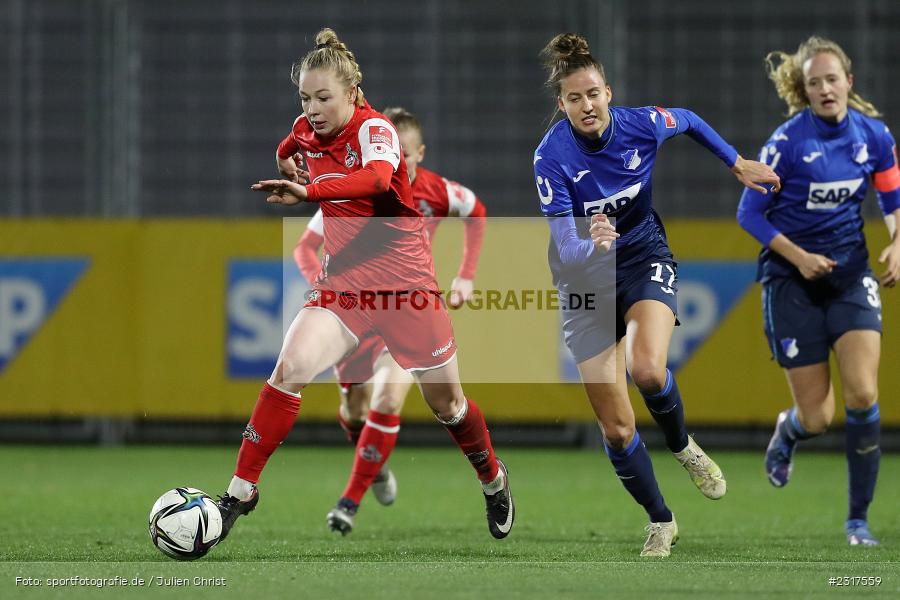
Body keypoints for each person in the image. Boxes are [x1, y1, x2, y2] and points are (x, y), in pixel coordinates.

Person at [214, 28, 513, 544]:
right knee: (288, 369)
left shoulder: (376, 131)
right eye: (305, 97)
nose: (312, 108)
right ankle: (240, 492)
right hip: (345, 288)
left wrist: (307, 188)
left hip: (407, 290)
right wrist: (285, 159)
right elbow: (288, 143)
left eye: (323, 97)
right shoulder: (305, 128)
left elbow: (376, 180)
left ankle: (492, 478)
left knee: (450, 407)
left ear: (352, 94)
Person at [534, 33, 780, 557]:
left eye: (594, 93)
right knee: (618, 428)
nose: (586, 105)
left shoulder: (640, 124)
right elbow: (566, 247)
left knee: (647, 369)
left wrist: (736, 163)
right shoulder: (551, 157)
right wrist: (591, 243)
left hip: (644, 256)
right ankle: (661, 521)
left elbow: (688, 118)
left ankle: (683, 445)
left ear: (608, 92)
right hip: (583, 281)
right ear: (562, 105)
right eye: (574, 98)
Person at [292, 106, 488, 533]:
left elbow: (477, 211)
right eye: (388, 149)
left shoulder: (438, 191)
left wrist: (466, 275)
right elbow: (305, 248)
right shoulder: (351, 191)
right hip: (354, 310)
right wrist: (326, 289)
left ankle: (348, 503)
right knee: (354, 410)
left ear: (419, 152)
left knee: (389, 398)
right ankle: (374, 465)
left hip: (403, 307)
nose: (397, 157)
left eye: (406, 152)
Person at [737, 36, 900, 546]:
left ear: (849, 83)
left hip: (850, 278)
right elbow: (748, 213)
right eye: (815, 83)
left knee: (864, 393)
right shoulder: (785, 144)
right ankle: (789, 432)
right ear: (804, 91)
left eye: (833, 79)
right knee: (817, 417)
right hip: (792, 283)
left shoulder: (873, 136)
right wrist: (800, 258)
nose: (825, 89)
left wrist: (898, 242)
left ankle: (857, 522)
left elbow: (892, 198)